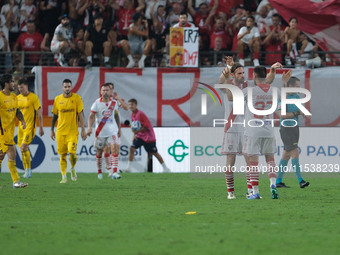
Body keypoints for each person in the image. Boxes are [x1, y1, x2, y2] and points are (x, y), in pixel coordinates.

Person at [226, 65, 281, 199]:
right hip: (269, 130)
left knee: (253, 162)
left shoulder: (248, 91)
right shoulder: (275, 91)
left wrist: (228, 79)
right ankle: (272, 184)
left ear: (255, 76)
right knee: (270, 159)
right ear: (266, 75)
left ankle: (255, 192)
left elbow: (232, 99)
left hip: (253, 131)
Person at [276, 75, 310, 188]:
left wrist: (303, 112)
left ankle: (278, 182)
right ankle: (301, 181)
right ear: (290, 86)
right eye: (297, 86)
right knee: (295, 151)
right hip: (286, 128)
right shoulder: (281, 99)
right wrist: (297, 113)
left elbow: (299, 110)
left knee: (286, 155)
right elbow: (282, 115)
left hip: (295, 127)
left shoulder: (296, 97)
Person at [50, 79, 87, 183]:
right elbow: (55, 115)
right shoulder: (57, 99)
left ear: (71, 87)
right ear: (62, 88)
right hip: (60, 132)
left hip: (72, 132)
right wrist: (52, 130)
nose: (67, 88)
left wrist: (83, 129)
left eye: (69, 86)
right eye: (65, 87)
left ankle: (73, 168)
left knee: (72, 152)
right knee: (62, 155)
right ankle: (64, 177)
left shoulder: (77, 98)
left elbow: (80, 114)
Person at [120, 98, 170, 173]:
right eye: (129, 104)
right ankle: (128, 168)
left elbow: (146, 126)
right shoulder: (132, 114)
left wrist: (136, 131)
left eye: (132, 105)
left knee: (155, 153)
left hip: (149, 137)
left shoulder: (140, 114)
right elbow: (135, 125)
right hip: (140, 136)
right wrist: (135, 134)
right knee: (132, 148)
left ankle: (166, 168)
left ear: (136, 105)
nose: (130, 106)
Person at [87, 83, 122, 180]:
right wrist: (89, 127)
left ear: (110, 91)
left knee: (114, 149)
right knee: (99, 152)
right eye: (104, 90)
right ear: (100, 92)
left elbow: (116, 116)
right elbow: (91, 117)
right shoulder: (96, 104)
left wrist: (119, 128)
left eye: (107, 90)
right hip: (100, 132)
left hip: (112, 131)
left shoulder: (114, 103)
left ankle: (114, 172)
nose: (105, 92)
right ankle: (99, 172)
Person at [0, 74, 28, 188]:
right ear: (6, 83)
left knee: (7, 155)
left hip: (10, 133)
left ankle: (16, 182)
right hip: (2, 133)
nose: (14, 84)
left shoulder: (14, 97)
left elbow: (17, 111)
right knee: (7, 154)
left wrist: (23, 121)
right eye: (12, 81)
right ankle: (16, 181)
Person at [17, 78, 44, 178]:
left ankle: (29, 171)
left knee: (24, 147)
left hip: (30, 127)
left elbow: (39, 114)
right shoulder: (18, 98)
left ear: (26, 87)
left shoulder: (33, 98)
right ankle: (26, 171)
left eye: (22, 87)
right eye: (19, 88)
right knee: (22, 149)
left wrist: (41, 127)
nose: (20, 89)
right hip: (21, 128)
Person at [103, 82, 128, 177]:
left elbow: (126, 108)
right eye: (106, 89)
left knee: (116, 149)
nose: (108, 90)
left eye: (110, 88)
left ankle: (112, 168)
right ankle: (111, 170)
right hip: (104, 129)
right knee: (107, 149)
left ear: (112, 90)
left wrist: (119, 99)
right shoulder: (101, 101)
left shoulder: (115, 101)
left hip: (114, 129)